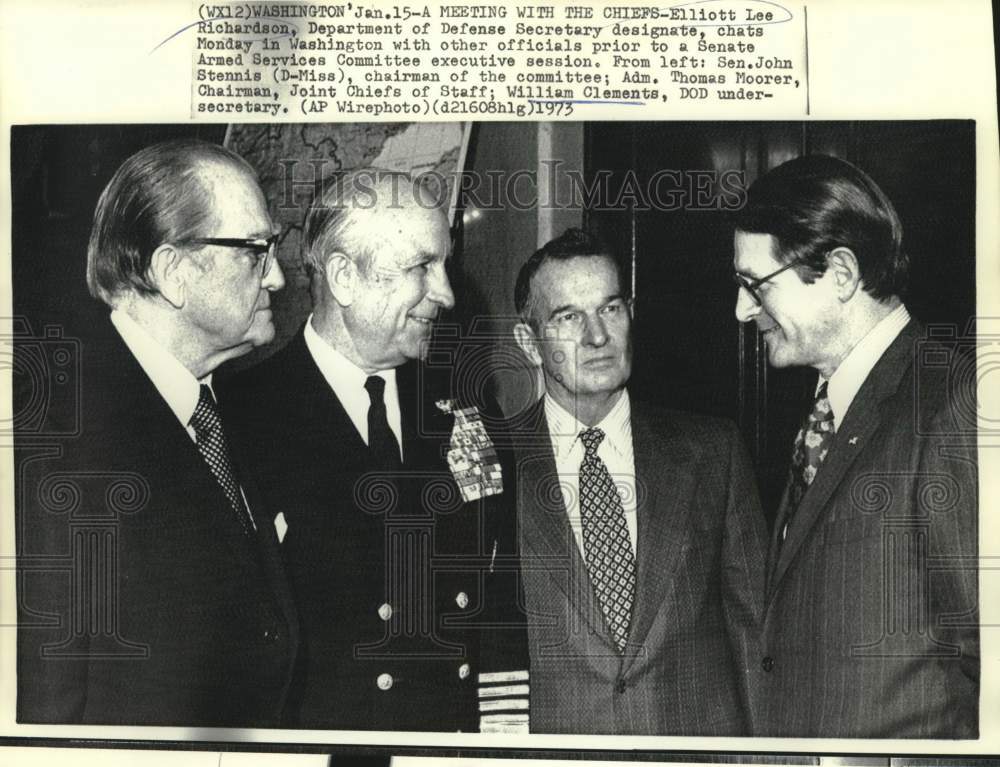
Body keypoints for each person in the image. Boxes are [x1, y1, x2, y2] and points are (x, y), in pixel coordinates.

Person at [220, 169, 528, 732]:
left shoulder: (463, 404)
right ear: (343, 276)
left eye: (444, 265)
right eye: (420, 268)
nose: (447, 293)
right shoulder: (240, 418)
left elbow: (496, 594)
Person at [15, 139, 298, 726]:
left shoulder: (221, 412)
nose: (278, 276)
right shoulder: (57, 445)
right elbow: (46, 707)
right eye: (255, 251)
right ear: (173, 273)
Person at [733, 154, 979, 737]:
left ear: (840, 274)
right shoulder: (829, 409)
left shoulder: (953, 406)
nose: (742, 310)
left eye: (754, 285)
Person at [509, 227, 765, 735]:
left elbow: (756, 636)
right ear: (528, 341)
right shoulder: (496, 462)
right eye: (567, 317)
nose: (597, 336)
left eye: (610, 309)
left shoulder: (713, 452)